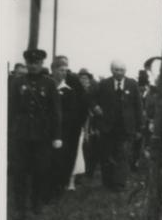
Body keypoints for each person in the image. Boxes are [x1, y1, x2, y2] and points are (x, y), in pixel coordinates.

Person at [8, 49, 62, 219]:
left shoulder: (49, 83)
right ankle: (20, 207)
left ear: (41, 64)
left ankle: (36, 203)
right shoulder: (17, 82)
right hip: (21, 133)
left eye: (36, 63)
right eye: (30, 63)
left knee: (40, 170)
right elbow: (11, 108)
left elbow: (56, 112)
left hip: (42, 134)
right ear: (26, 63)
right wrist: (8, 132)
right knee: (19, 171)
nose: (33, 66)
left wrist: (57, 135)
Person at [89, 60, 143, 191]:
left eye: (122, 70)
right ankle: (107, 182)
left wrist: (139, 128)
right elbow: (90, 98)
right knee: (106, 155)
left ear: (125, 71)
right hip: (107, 126)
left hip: (126, 127)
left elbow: (139, 107)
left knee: (123, 154)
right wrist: (95, 107)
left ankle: (119, 184)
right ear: (111, 70)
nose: (119, 72)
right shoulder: (104, 84)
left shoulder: (132, 84)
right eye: (116, 70)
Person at [50, 57, 88, 196]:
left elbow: (73, 114)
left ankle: (58, 186)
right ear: (53, 70)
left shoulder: (69, 91)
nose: (64, 73)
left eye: (66, 70)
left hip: (64, 132)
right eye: (61, 70)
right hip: (48, 130)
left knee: (61, 160)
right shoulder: (48, 87)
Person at [78, 69, 100, 178]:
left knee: (91, 147)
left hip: (92, 122)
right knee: (80, 147)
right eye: (81, 78)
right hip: (80, 122)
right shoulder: (76, 91)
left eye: (85, 78)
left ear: (89, 79)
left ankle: (89, 170)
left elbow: (96, 105)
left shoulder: (94, 90)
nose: (83, 80)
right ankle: (79, 171)